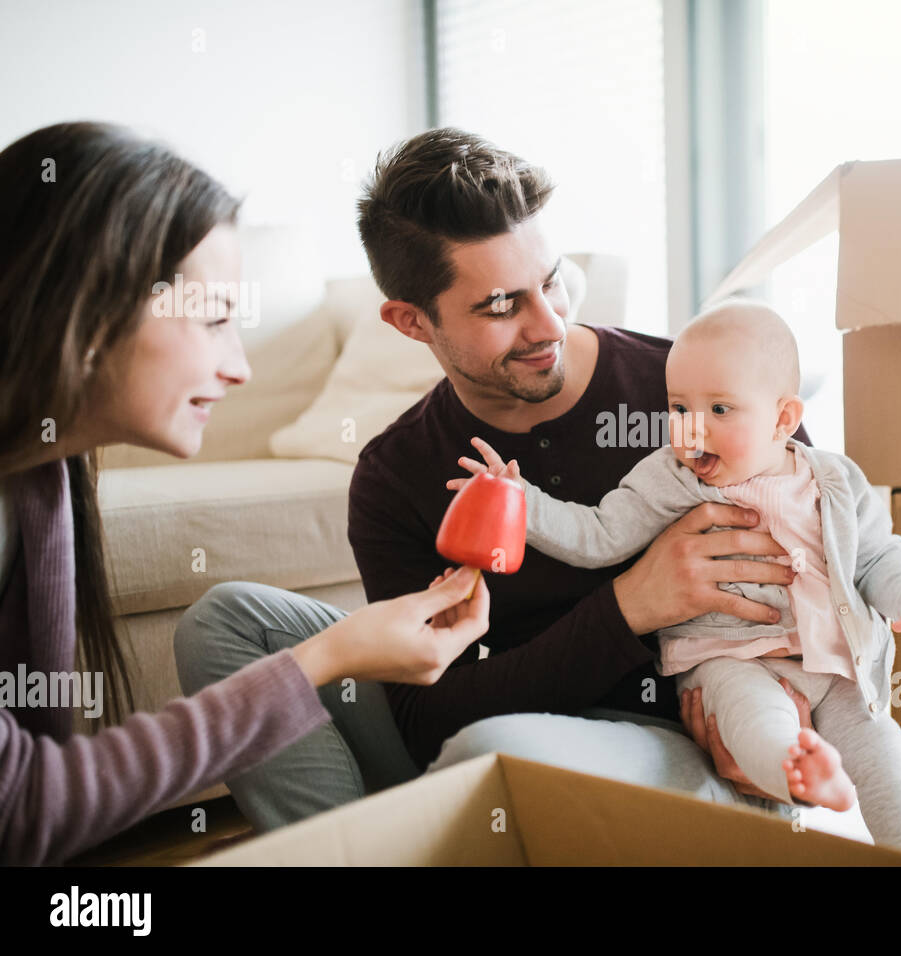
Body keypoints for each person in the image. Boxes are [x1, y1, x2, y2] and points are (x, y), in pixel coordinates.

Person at [179, 126, 817, 826]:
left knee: (494, 749)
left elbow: (840, 583)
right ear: (411, 322)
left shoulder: (700, 393)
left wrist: (780, 723)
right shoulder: (398, 474)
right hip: (486, 730)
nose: (547, 325)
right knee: (226, 624)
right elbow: (423, 721)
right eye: (503, 305)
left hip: (679, 738)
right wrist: (631, 605)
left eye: (550, 282)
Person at [0, 122, 491, 866]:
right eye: (214, 320)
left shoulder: (42, 475)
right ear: (87, 308)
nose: (241, 368)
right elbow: (25, 807)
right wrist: (326, 657)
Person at [451, 301, 901, 859]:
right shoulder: (670, 479)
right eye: (678, 407)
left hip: (836, 663)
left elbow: (875, 555)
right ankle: (797, 776)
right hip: (728, 658)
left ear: (783, 419)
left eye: (720, 408)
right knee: (755, 723)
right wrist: (522, 502)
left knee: (883, 746)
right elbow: (598, 534)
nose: (692, 428)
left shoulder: (833, 481)